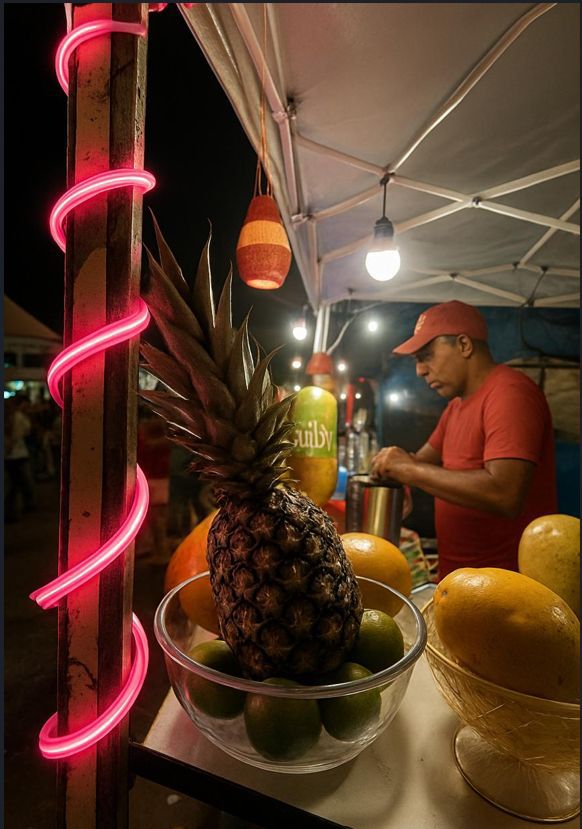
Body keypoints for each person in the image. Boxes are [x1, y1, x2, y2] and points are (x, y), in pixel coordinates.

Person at [371, 300, 557, 579]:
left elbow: (505, 494)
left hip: (505, 585)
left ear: (464, 345)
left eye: (426, 356)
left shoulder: (510, 393)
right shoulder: (455, 408)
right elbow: (419, 462)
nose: (420, 371)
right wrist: (395, 468)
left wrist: (409, 470)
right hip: (458, 579)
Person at [4, 394, 37, 522]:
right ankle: (26, 506)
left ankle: (11, 511)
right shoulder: (19, 417)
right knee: (24, 482)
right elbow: (27, 431)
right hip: (20, 455)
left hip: (10, 456)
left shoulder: (13, 417)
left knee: (11, 485)